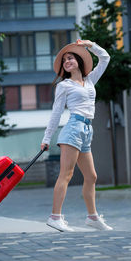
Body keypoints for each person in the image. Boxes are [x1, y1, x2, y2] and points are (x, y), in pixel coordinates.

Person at [41, 39, 113, 232]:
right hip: (73, 128)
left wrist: (90, 44)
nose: (67, 62)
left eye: (70, 58)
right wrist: (46, 139)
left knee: (91, 176)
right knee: (67, 174)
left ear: (79, 61)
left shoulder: (90, 80)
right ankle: (55, 217)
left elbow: (105, 58)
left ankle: (92, 217)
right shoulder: (64, 86)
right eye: (64, 60)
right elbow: (56, 113)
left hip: (87, 130)